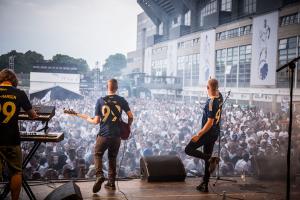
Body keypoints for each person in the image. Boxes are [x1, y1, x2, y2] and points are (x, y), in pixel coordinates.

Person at [81, 79, 133, 193]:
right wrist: (128, 127)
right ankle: (111, 183)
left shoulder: (100, 101)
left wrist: (86, 118)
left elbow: (96, 121)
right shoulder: (122, 100)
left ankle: (99, 175)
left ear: (107, 87)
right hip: (116, 136)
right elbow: (131, 116)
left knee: (98, 154)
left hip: (104, 135)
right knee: (112, 158)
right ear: (117, 88)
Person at [0, 68, 38, 200]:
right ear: (13, 80)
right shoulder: (19, 93)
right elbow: (33, 116)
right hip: (11, 138)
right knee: (16, 171)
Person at [185, 78, 223, 192]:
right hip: (215, 133)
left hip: (208, 133)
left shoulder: (211, 101)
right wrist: (213, 83)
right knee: (207, 159)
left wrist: (198, 134)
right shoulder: (219, 96)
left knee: (188, 149)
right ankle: (205, 184)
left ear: (207, 87)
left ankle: (211, 158)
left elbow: (210, 121)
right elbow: (215, 89)